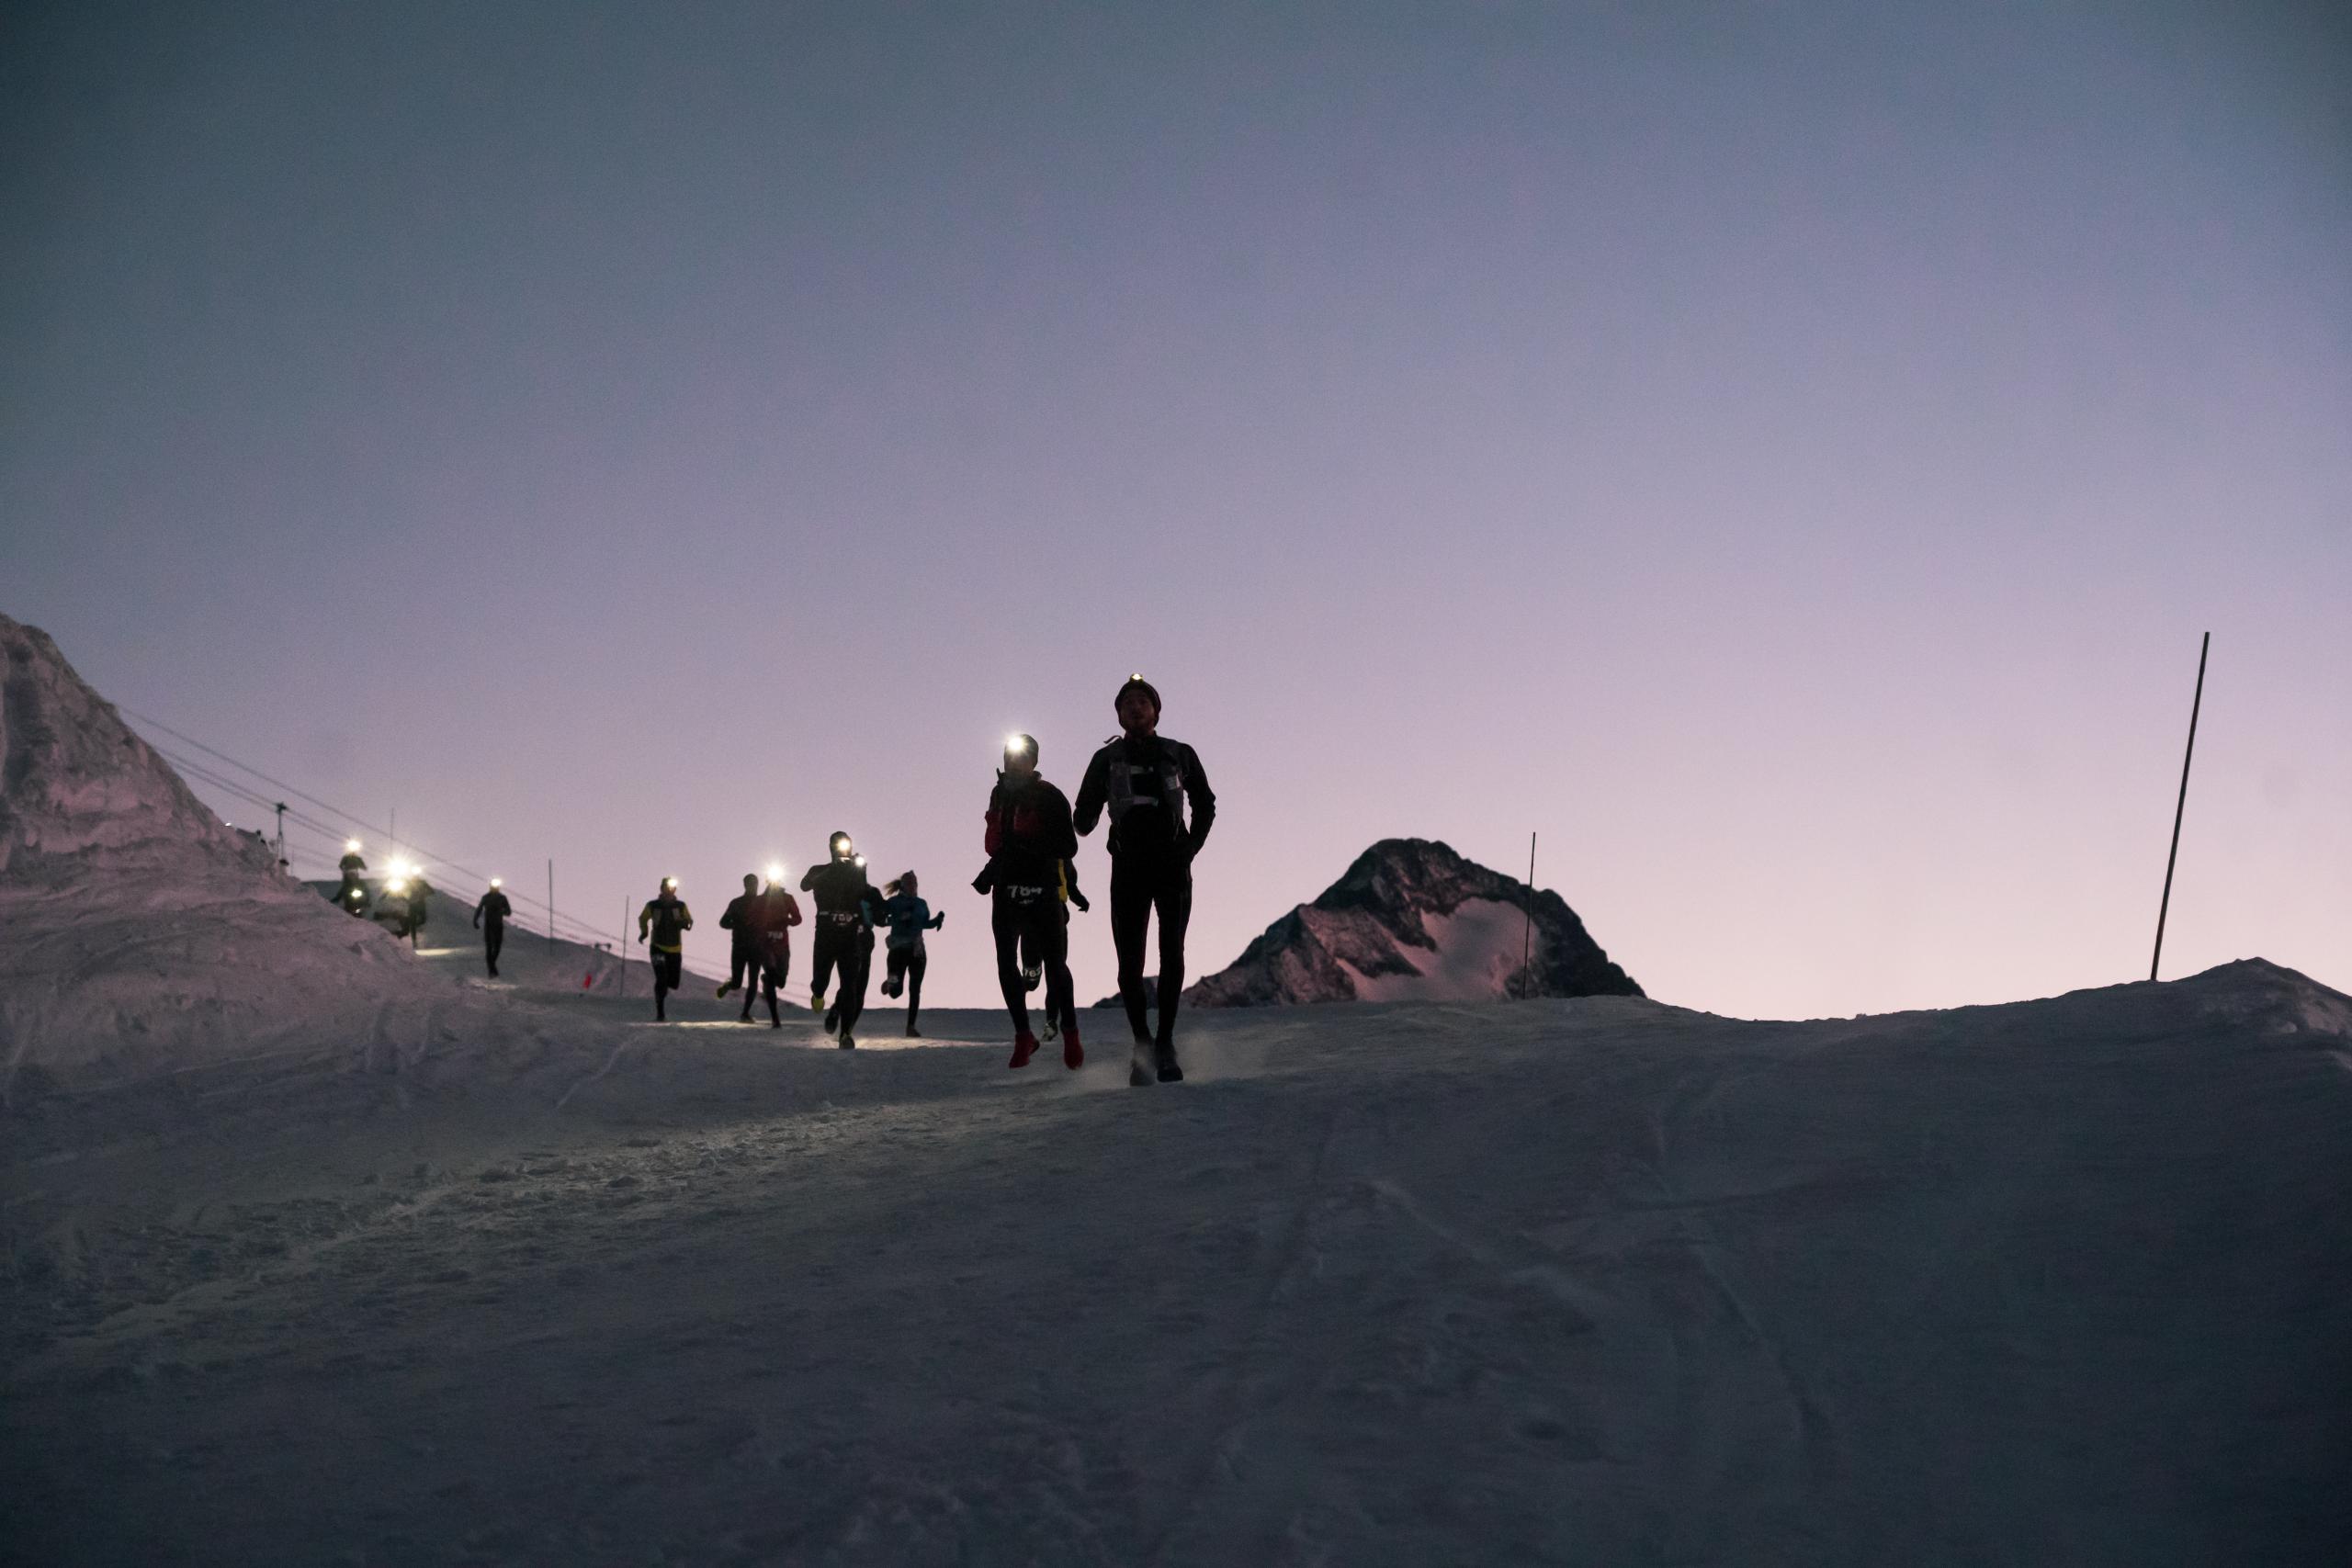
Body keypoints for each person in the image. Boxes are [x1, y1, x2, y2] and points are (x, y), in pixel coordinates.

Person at [1074, 675, 1215, 1085]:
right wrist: (1082, 815)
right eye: (1127, 703)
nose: (1135, 708)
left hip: (1172, 867)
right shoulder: (1105, 760)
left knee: (1172, 954)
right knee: (1129, 964)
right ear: (1118, 715)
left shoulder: (1180, 753)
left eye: (1142, 701)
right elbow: (1083, 820)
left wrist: (1190, 848)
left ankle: (1166, 1043)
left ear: (1156, 711)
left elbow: (1205, 803)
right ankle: (1142, 1045)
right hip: (1128, 867)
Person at [976, 733, 1082, 1069]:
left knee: (1055, 964)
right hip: (1006, 887)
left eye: (1023, 757)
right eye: (1010, 755)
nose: (1014, 762)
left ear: (1034, 762)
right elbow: (994, 843)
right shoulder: (998, 794)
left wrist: (1032, 849)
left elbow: (1069, 846)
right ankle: (1023, 1036)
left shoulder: (1049, 796)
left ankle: (1070, 1033)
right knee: (1006, 962)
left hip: (1043, 887)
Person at [800, 833, 883, 1049]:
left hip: (849, 935)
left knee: (850, 986)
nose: (843, 849)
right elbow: (804, 885)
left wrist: (860, 871)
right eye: (839, 845)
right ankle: (818, 994)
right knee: (821, 982)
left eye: (847, 845)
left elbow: (864, 893)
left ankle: (846, 1034)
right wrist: (832, 869)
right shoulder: (819, 869)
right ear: (831, 847)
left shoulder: (855, 872)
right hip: (826, 933)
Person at [875, 872, 946, 1036]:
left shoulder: (921, 903)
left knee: (915, 989)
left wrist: (937, 921)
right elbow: (882, 919)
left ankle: (911, 1027)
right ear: (903, 885)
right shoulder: (894, 902)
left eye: (916, 883)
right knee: (896, 993)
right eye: (911, 883)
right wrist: (897, 919)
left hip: (917, 950)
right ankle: (890, 983)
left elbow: (924, 923)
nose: (914, 886)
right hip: (898, 950)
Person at [637, 876, 694, 1021]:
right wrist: (644, 932)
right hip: (657, 947)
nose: (669, 890)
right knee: (661, 978)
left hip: (675, 949)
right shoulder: (653, 905)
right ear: (661, 889)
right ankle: (660, 1011)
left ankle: (661, 992)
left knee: (673, 983)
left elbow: (689, 921)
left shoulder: (680, 906)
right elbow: (643, 918)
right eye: (666, 887)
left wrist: (684, 923)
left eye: (671, 888)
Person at [716, 873, 769, 1021]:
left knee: (753, 981)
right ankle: (729, 985)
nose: (754, 887)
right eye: (751, 884)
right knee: (737, 982)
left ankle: (745, 1013)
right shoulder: (736, 903)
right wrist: (738, 925)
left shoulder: (763, 903)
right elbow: (723, 922)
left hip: (756, 947)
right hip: (739, 947)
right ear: (745, 885)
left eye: (756, 884)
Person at [752, 874, 802, 1028]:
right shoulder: (760, 900)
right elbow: (751, 918)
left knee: (781, 981)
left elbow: (798, 918)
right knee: (772, 974)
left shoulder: (787, 898)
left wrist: (786, 920)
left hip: (782, 945)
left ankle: (767, 980)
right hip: (765, 944)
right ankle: (775, 1019)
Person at [472, 876, 512, 977]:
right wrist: (475, 920)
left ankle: (492, 968)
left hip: (498, 926)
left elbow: (508, 912)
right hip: (489, 926)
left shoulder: (502, 898)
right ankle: (492, 971)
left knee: (497, 948)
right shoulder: (486, 897)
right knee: (489, 948)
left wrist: (501, 911)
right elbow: (479, 909)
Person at [334, 840, 369, 916]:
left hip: (354, 876)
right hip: (347, 876)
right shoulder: (345, 858)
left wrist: (363, 867)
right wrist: (344, 870)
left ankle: (367, 901)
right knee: (345, 888)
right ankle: (338, 900)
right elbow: (340, 865)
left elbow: (364, 867)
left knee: (364, 887)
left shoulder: (358, 859)